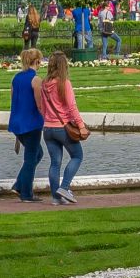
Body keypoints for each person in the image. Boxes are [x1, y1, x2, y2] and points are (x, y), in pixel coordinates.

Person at [37, 52, 86, 204]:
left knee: (55, 163)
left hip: (48, 128)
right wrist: (81, 126)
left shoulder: (45, 83)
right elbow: (72, 107)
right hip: (62, 127)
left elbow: (43, 108)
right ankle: (64, 187)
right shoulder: (64, 82)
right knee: (77, 156)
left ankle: (56, 197)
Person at [8, 48, 44, 202]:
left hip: (17, 123)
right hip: (31, 123)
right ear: (37, 61)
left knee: (37, 154)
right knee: (31, 158)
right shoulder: (35, 79)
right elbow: (39, 104)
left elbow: (13, 99)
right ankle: (26, 194)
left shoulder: (16, 78)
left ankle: (19, 184)